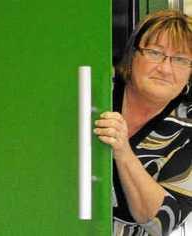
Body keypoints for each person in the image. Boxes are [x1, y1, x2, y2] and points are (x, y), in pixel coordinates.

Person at [94, 10, 192, 236]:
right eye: (155, 53)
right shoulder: (96, 92)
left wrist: (122, 151)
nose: (165, 69)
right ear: (133, 55)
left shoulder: (186, 132)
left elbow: (160, 223)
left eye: (180, 59)